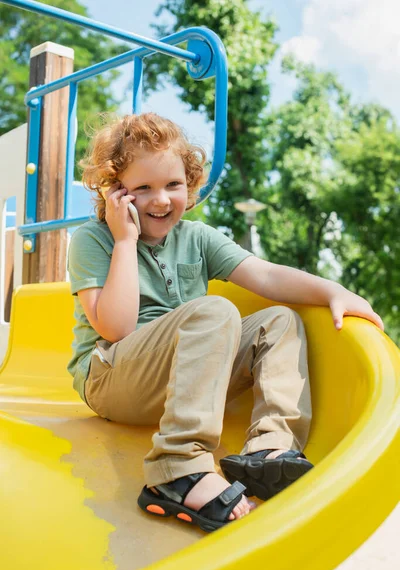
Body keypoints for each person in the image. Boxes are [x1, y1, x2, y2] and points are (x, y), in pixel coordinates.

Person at [67, 113, 384, 533]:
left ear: (190, 184)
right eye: (143, 189)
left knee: (279, 320)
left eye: (173, 185)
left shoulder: (197, 238)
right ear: (115, 193)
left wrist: (333, 292)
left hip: (180, 379)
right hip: (112, 379)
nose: (161, 200)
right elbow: (116, 328)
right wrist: (124, 241)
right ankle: (178, 467)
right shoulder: (94, 239)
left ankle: (269, 449)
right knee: (215, 311)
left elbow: (266, 275)